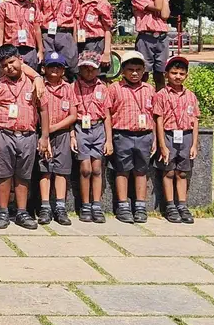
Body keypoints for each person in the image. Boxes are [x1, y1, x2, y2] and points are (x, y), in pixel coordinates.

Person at [0, 44, 51, 230]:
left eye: (12, 62)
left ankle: (22, 211)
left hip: (28, 135)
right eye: (4, 65)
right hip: (3, 134)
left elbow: (44, 110)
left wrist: (44, 136)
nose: (9, 67)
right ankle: (3, 210)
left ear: (21, 60)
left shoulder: (33, 84)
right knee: (3, 174)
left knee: (23, 175)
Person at [107, 50, 157, 224]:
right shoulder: (114, 89)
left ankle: (140, 205)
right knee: (122, 170)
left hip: (144, 135)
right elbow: (107, 113)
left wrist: (155, 139)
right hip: (123, 134)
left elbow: (155, 116)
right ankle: (122, 205)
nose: (134, 73)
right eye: (130, 69)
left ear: (144, 71)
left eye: (138, 69)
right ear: (122, 71)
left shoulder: (150, 89)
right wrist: (109, 138)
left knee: (141, 171)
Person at [154, 56, 201, 224]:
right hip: (168, 135)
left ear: (186, 76)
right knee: (169, 171)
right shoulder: (161, 95)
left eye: (181, 73)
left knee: (182, 172)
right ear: (166, 74)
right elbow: (158, 120)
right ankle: (170, 206)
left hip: (186, 136)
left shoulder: (191, 96)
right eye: (174, 73)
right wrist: (162, 145)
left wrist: (194, 144)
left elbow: (195, 120)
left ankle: (182, 205)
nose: (178, 76)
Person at [73, 51, 113, 223]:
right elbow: (70, 113)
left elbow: (107, 115)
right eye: (85, 68)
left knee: (97, 169)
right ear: (80, 69)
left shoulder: (102, 88)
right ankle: (85, 204)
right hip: (81, 128)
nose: (89, 72)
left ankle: (96, 204)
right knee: (85, 169)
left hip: (98, 128)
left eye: (92, 69)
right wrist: (71, 135)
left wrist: (109, 140)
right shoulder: (73, 87)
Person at [38, 52, 76, 226]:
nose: (54, 69)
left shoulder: (69, 88)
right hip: (42, 134)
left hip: (62, 133)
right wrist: (45, 132)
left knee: (61, 170)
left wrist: (54, 128)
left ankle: (60, 206)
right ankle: (45, 206)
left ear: (63, 70)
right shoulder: (39, 86)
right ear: (44, 68)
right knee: (45, 169)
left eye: (58, 67)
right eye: (51, 66)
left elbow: (73, 115)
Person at [35, 0, 79, 72]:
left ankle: (68, 89)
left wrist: (74, 42)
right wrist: (40, 45)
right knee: (48, 67)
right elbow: (36, 23)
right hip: (46, 36)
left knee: (70, 68)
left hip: (66, 35)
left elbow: (75, 21)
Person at [132, 0, 173, 89]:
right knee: (143, 72)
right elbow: (157, 7)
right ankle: (142, 96)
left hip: (162, 39)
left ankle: (160, 99)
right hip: (145, 39)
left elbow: (165, 15)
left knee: (160, 73)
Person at [0, 0, 40, 69]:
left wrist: (40, 50)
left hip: (30, 50)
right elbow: (0, 29)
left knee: (31, 76)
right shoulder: (4, 6)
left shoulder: (33, 6)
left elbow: (37, 29)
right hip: (11, 49)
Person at [76, 0, 113, 68]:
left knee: (93, 71)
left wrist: (106, 52)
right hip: (80, 41)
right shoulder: (78, 0)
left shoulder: (102, 4)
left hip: (95, 43)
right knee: (82, 71)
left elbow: (107, 29)